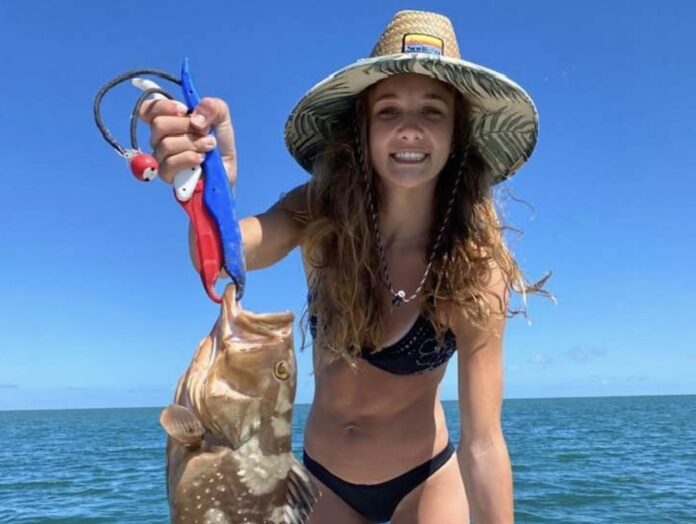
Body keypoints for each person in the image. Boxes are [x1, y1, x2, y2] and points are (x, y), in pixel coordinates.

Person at [140, 10, 550, 524]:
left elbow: (485, 442)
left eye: (432, 111)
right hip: (321, 483)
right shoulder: (320, 213)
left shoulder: (472, 267)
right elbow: (226, 255)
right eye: (388, 111)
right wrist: (211, 189)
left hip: (424, 484)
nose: (409, 129)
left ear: (457, 133)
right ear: (362, 127)